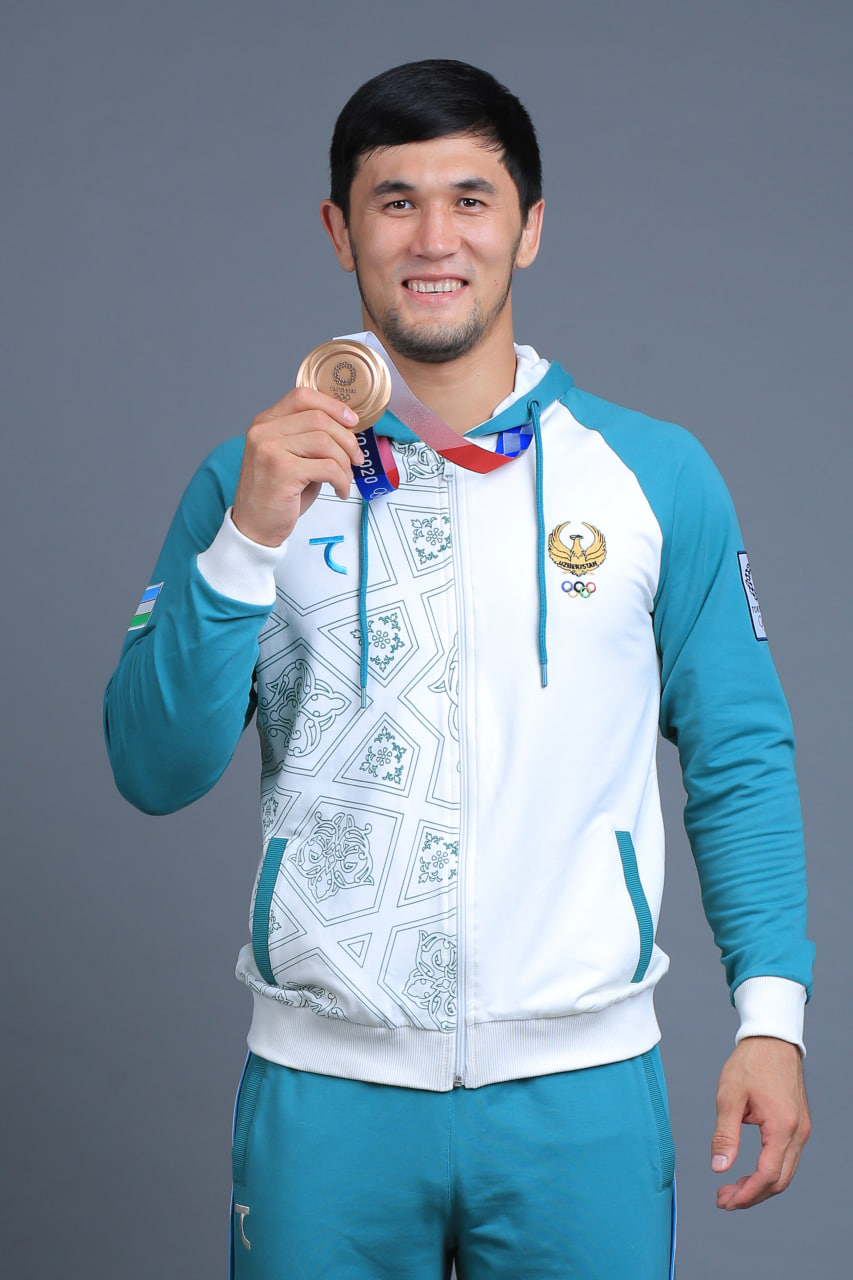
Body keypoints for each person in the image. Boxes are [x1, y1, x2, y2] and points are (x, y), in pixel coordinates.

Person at [104, 59, 813, 1279]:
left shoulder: (651, 475)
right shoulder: (251, 478)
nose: (434, 239)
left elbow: (739, 755)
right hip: (324, 1096)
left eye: (470, 199)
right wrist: (247, 541)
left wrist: (772, 1017)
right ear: (340, 231)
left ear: (528, 228)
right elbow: (153, 770)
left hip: (582, 1093)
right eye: (395, 201)